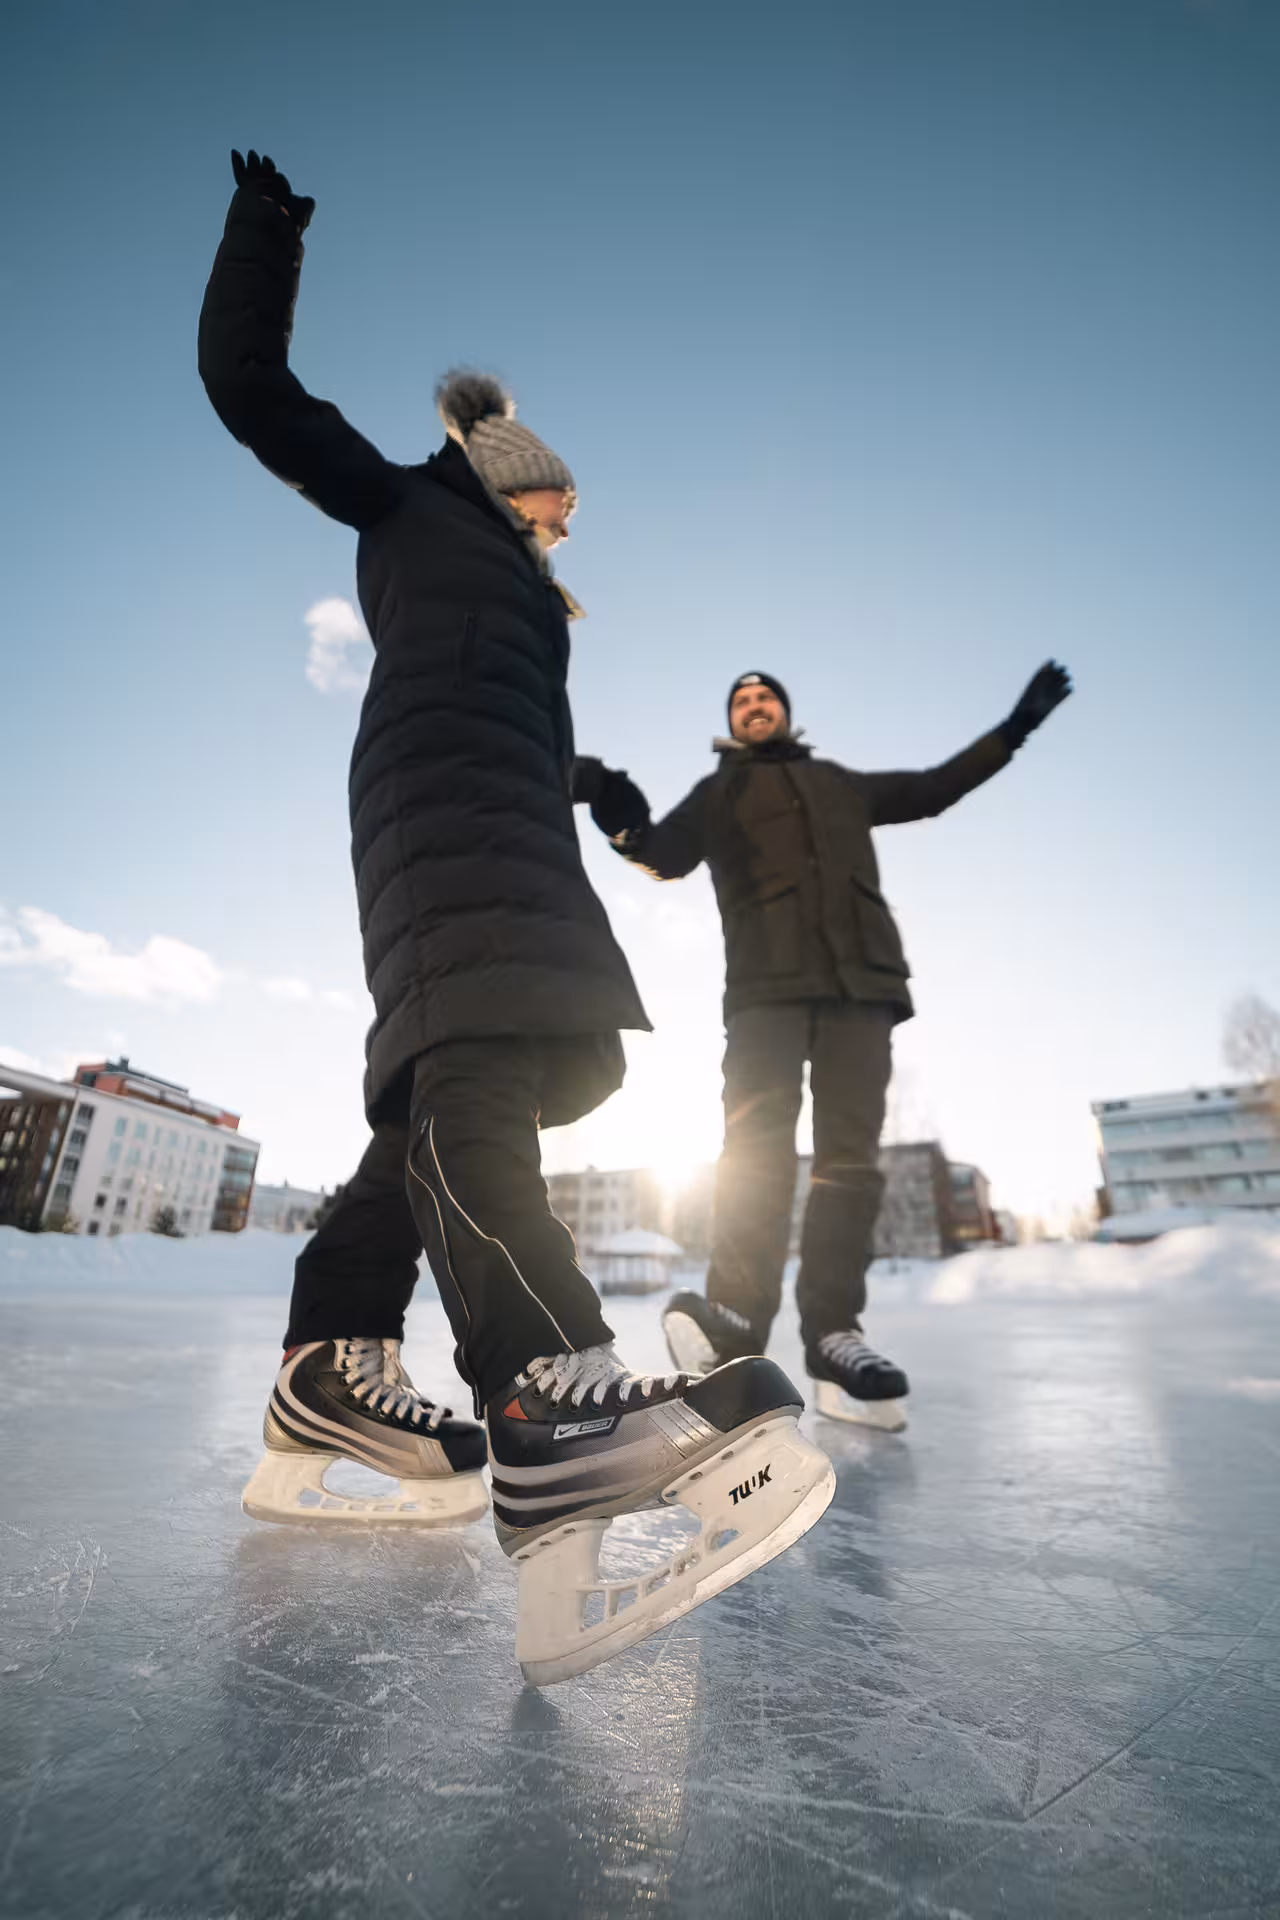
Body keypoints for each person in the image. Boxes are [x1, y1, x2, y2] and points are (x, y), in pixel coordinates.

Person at [198, 151, 833, 1682]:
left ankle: (329, 1369)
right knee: (475, 1058)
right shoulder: (415, 508)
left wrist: (611, 797)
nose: (568, 522)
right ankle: (549, 1395)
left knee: (459, 1074)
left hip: (503, 815)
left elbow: (535, 734)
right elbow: (248, 383)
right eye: (558, 499)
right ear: (511, 477)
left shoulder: (518, 592)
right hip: (429, 808)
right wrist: (267, 233)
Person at [599, 661, 1073, 1428]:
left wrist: (1013, 730)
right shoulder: (719, 794)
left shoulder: (840, 784)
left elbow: (934, 787)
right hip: (765, 994)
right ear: (732, 721)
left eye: (766, 698)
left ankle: (833, 1337)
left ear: (785, 712)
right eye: (742, 701)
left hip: (863, 988)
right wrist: (618, 818)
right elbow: (665, 853)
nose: (755, 707)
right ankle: (734, 1326)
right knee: (754, 1152)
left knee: (850, 1162)